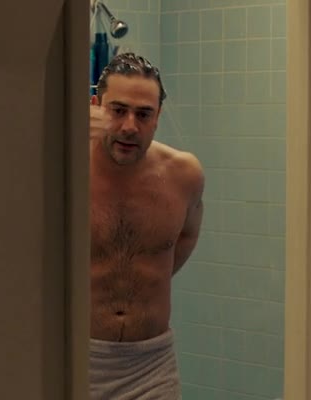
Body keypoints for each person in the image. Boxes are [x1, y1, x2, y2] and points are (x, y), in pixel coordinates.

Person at [88, 52, 205, 399]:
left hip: (152, 367)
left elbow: (185, 238)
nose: (129, 126)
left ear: (157, 117)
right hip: (76, 357)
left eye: (143, 114)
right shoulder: (63, 170)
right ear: (96, 107)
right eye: (118, 110)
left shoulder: (184, 175)